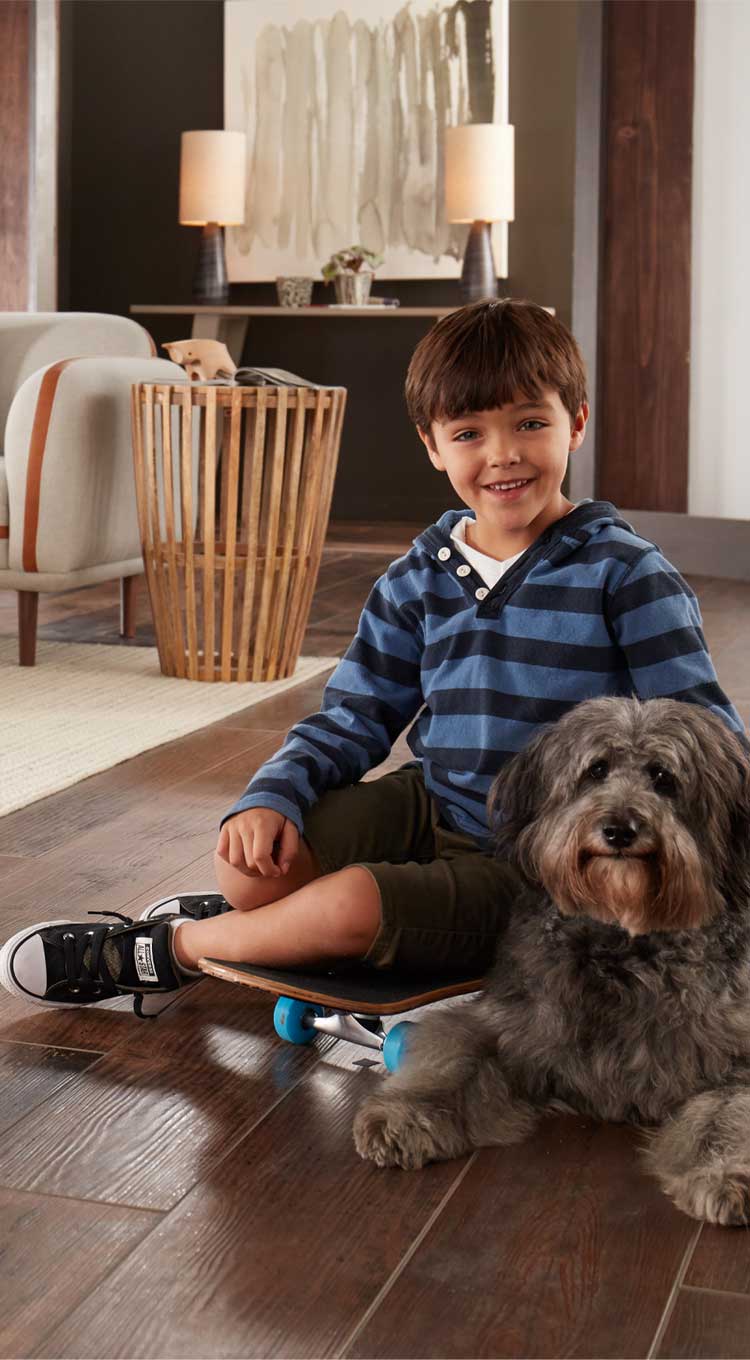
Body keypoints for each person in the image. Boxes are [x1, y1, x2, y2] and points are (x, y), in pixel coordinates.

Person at [2, 299, 744, 1014]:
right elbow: (354, 717)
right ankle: (266, 924)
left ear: (574, 424)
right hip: (434, 801)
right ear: (431, 444)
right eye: (469, 433)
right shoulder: (419, 576)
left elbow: (704, 733)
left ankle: (167, 951)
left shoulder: (626, 572)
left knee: (352, 903)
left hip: (536, 864)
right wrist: (273, 795)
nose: (503, 455)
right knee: (249, 865)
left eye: (530, 423)